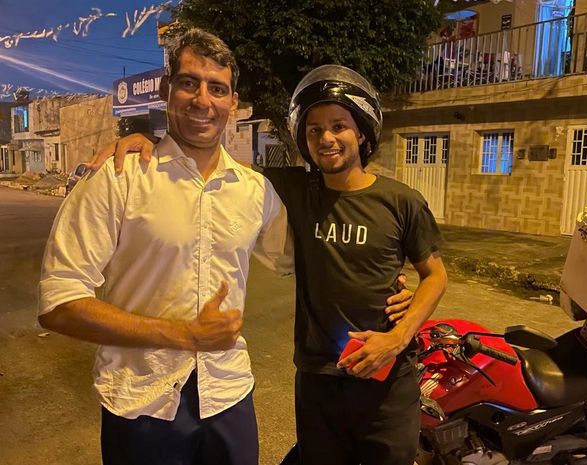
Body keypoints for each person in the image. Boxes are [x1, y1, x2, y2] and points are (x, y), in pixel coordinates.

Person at [94, 64, 447, 465]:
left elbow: (435, 274)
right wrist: (153, 142)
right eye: (314, 130)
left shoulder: (401, 201)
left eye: (339, 126)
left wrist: (398, 336)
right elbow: (213, 163)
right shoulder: (290, 189)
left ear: (363, 132)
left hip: (387, 377)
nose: (326, 139)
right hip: (317, 379)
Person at [38, 28, 292, 465]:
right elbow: (59, 302)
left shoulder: (254, 191)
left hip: (228, 395)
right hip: (142, 402)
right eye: (189, 83)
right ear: (165, 89)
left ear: (233, 102)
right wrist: (183, 335)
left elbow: (305, 260)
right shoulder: (119, 177)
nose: (202, 100)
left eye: (217, 88)